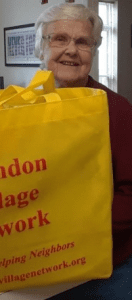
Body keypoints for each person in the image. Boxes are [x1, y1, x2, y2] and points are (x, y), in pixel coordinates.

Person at [34, 3, 132, 299]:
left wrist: (72, 231)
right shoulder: (19, 110)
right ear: (41, 48)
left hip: (106, 271)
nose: (71, 50)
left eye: (82, 42)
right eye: (59, 39)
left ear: (93, 51)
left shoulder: (118, 110)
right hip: (37, 264)